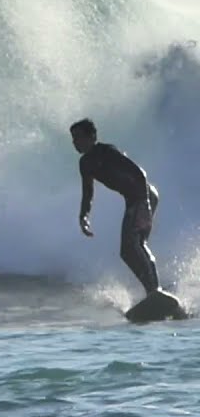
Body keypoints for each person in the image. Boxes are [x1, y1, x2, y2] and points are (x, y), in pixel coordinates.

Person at [69, 118, 162, 297]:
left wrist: (145, 204)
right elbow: (88, 193)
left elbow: (139, 174)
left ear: (92, 136)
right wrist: (83, 216)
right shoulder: (85, 164)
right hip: (133, 200)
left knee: (134, 246)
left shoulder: (108, 152)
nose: (75, 142)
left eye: (78, 137)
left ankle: (155, 291)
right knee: (128, 252)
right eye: (73, 139)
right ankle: (152, 292)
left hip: (143, 195)